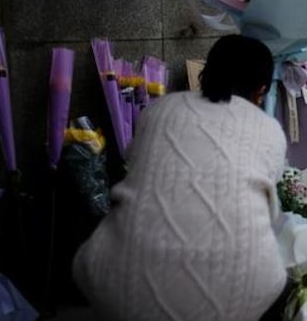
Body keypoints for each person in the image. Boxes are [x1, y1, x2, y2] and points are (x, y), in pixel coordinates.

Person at [72, 34, 288, 320]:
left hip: (118, 287)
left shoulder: (160, 110)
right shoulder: (269, 129)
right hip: (235, 296)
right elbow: (268, 210)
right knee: (278, 274)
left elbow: (132, 161)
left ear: (206, 70)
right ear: (261, 90)